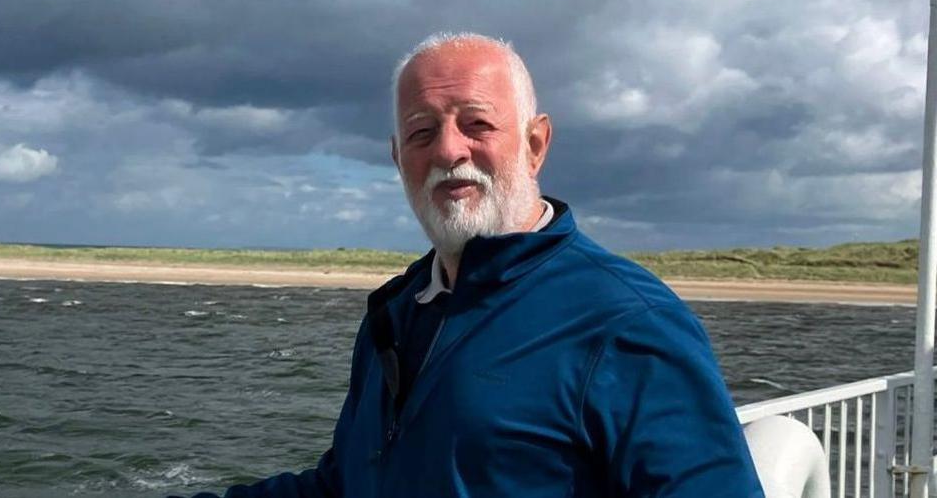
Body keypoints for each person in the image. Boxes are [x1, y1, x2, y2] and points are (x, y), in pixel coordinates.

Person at [176, 33, 764, 497]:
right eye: (421, 132)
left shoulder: (627, 321)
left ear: (535, 145)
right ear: (397, 158)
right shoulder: (396, 312)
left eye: (477, 124)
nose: (449, 150)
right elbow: (346, 485)